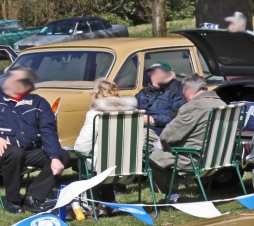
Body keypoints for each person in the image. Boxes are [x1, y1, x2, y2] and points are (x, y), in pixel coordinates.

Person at [0, 67, 71, 214]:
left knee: (63, 155)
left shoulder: (39, 103)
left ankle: (32, 197)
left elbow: (48, 131)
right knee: (15, 152)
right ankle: (13, 200)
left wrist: (54, 157)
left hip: (29, 151)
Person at [148, 75, 225, 200]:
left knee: (155, 158)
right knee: (167, 153)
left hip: (195, 159)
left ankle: (172, 195)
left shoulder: (193, 107)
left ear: (188, 90)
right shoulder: (221, 103)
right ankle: (172, 195)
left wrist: (166, 142)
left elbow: (168, 136)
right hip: (219, 158)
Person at [73, 79, 138, 209]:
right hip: (127, 165)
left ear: (96, 95)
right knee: (104, 159)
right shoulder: (132, 113)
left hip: (103, 166)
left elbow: (83, 146)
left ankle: (96, 202)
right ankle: (110, 201)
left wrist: (79, 150)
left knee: (88, 159)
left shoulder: (95, 114)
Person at [136, 61, 185, 133]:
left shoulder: (178, 91)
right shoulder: (144, 92)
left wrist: (152, 120)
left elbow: (177, 117)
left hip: (162, 132)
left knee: (139, 137)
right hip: (139, 127)